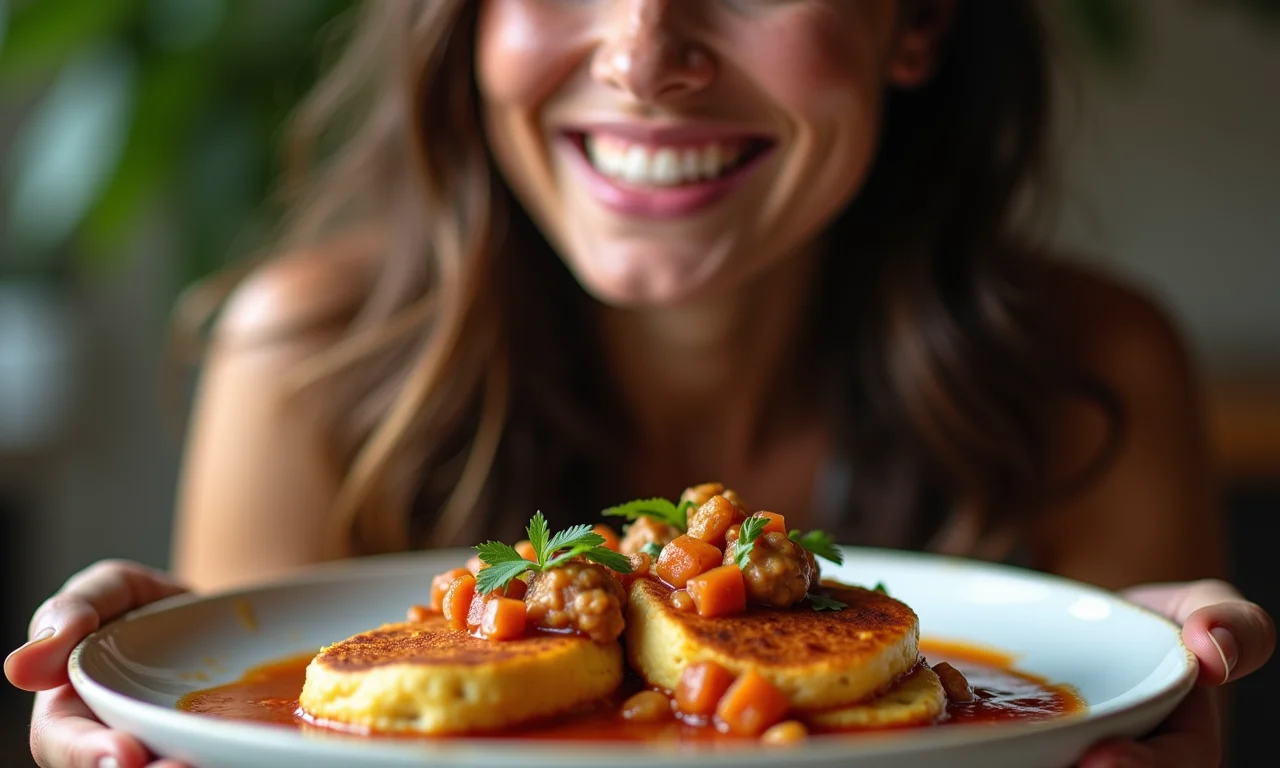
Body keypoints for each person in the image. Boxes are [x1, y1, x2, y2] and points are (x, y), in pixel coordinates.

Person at [6, 1, 1274, 766]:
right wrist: (161, 707)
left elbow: (1118, 724)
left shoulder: (1088, 376)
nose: (644, 54)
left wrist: (1159, 699)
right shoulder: (302, 360)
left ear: (919, 19)